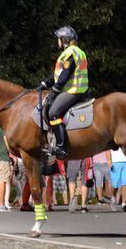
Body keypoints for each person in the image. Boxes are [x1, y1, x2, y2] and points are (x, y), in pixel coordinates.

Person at [38, 26, 89, 159]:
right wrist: (45, 83)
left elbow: (66, 74)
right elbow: (59, 74)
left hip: (73, 90)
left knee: (53, 113)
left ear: (64, 40)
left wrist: (55, 90)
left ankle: (61, 147)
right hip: (77, 89)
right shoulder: (78, 51)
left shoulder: (71, 52)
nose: (58, 42)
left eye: (59, 39)